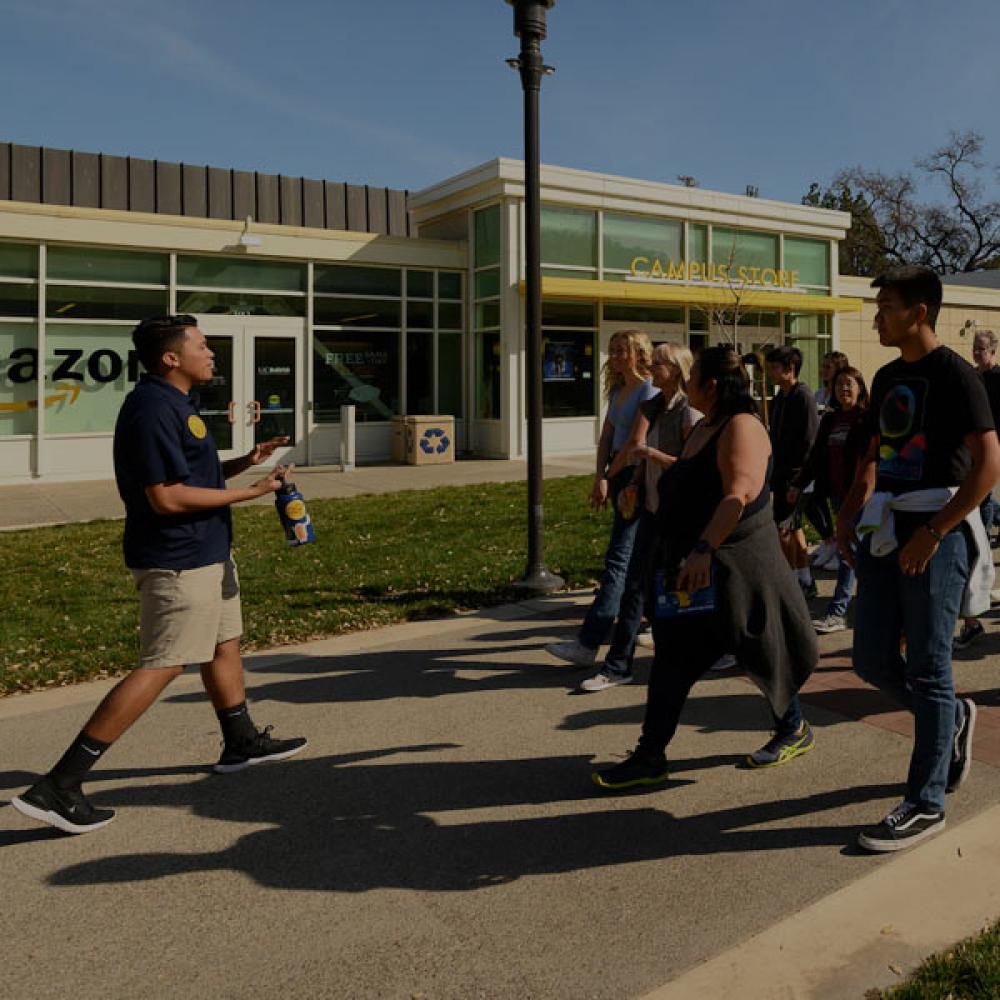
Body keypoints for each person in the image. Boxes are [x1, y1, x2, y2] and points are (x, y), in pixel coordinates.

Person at [12, 315, 307, 835]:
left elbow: (190, 475)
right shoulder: (151, 409)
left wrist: (244, 462)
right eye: (201, 345)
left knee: (224, 643)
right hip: (178, 559)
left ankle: (240, 741)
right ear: (171, 358)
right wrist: (252, 493)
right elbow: (165, 497)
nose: (211, 353)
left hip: (208, 551)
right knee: (163, 664)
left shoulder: (177, 403)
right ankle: (60, 784)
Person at [592, 347, 817, 789]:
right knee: (673, 662)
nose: (686, 380)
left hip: (736, 568)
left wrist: (702, 549)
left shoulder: (742, 426)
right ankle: (651, 755)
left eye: (693, 374)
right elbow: (692, 475)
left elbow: (737, 496)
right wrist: (642, 482)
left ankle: (793, 727)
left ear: (711, 385)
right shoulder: (706, 425)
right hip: (697, 570)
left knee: (760, 651)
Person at [835, 266, 1000, 853]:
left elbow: (989, 465)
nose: (877, 318)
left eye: (887, 307)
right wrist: (848, 513)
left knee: (929, 667)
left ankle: (927, 802)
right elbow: (875, 455)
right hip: (887, 527)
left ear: (919, 312)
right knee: (870, 658)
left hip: (936, 529)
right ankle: (951, 718)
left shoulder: (956, 375)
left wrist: (935, 531)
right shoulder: (886, 376)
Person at [579, 343, 700, 691]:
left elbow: (693, 468)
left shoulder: (689, 412)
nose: (653, 367)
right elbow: (639, 453)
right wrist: (634, 481)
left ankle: (712, 648)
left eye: (659, 363)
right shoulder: (655, 405)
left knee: (681, 586)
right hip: (651, 508)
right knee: (636, 587)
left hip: (680, 514)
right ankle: (618, 666)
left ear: (676, 370)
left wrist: (650, 454)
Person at [547, 330, 657, 667]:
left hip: (635, 476)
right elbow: (607, 436)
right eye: (613, 350)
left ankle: (588, 642)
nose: (616, 356)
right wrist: (600, 476)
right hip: (617, 472)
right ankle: (658, 622)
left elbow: (635, 443)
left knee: (619, 560)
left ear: (639, 353)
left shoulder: (649, 389)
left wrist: (609, 476)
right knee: (638, 557)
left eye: (623, 350)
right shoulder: (618, 390)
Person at [788, 366, 871, 634]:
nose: (843, 389)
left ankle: (838, 612)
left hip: (861, 497)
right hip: (838, 496)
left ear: (860, 388)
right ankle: (868, 607)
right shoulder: (830, 420)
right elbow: (816, 457)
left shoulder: (866, 419)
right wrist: (798, 484)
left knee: (849, 553)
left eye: (849, 384)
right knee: (857, 553)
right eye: (838, 385)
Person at [954, 328, 1000, 648]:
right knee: (981, 515)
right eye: (974, 347)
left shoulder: (997, 379)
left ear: (994, 351)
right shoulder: (972, 378)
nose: (976, 353)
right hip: (971, 460)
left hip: (990, 458)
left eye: (982, 348)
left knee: (979, 523)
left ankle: (978, 596)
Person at [766, 346, 820, 598]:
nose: (770, 372)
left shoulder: (803, 397)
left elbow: (810, 440)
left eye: (775, 367)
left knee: (783, 529)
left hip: (796, 475)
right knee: (794, 527)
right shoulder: (780, 398)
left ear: (790, 369)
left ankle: (789, 580)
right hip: (780, 473)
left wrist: (800, 478)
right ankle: (804, 578)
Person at [808, 351, 850, 569]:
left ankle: (842, 550)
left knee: (839, 506)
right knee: (814, 500)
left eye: (828, 367)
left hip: (837, 455)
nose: (823, 370)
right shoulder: (819, 394)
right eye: (822, 366)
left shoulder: (841, 396)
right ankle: (829, 540)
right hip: (820, 452)